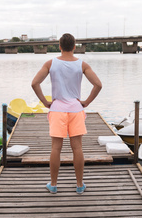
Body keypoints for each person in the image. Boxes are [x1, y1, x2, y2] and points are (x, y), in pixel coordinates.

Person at [31, 33, 102, 194]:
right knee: (77, 148)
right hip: (76, 109)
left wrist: (45, 102)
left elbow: (35, 83)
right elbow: (98, 84)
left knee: (56, 148)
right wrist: (86, 102)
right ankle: (79, 185)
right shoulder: (82, 65)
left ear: (60, 46)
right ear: (75, 46)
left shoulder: (51, 63)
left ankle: (54, 185)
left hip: (57, 109)